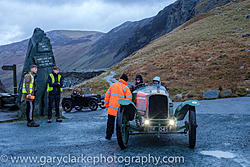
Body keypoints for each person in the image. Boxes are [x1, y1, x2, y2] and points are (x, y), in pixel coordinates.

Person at [104, 73, 132, 140]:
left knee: (110, 122)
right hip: (120, 109)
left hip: (111, 108)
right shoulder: (125, 88)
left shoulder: (113, 85)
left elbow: (107, 95)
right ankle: (119, 136)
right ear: (125, 80)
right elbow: (129, 99)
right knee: (119, 123)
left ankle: (108, 135)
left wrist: (107, 104)